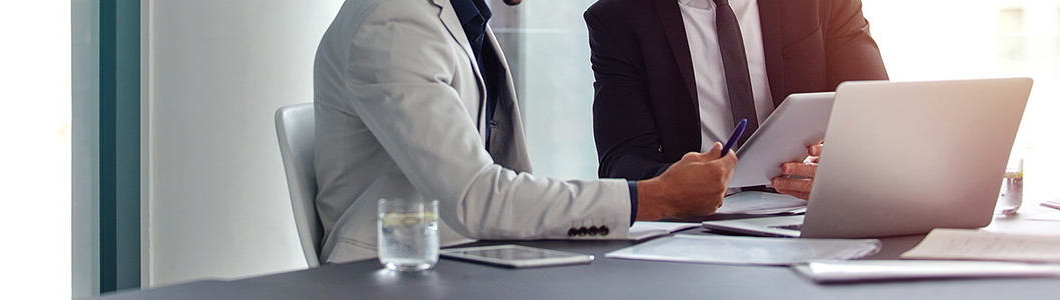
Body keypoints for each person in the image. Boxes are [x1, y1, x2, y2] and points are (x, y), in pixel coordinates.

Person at [312, 0, 738, 264]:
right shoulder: (393, 24)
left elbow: (503, 183)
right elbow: (477, 198)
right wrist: (656, 197)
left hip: (466, 257)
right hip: (392, 273)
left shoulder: (461, 17)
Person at [585, 0, 888, 199]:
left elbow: (882, 115)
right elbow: (621, 160)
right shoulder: (618, 19)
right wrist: (673, 182)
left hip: (813, 211)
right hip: (698, 228)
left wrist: (843, 170)